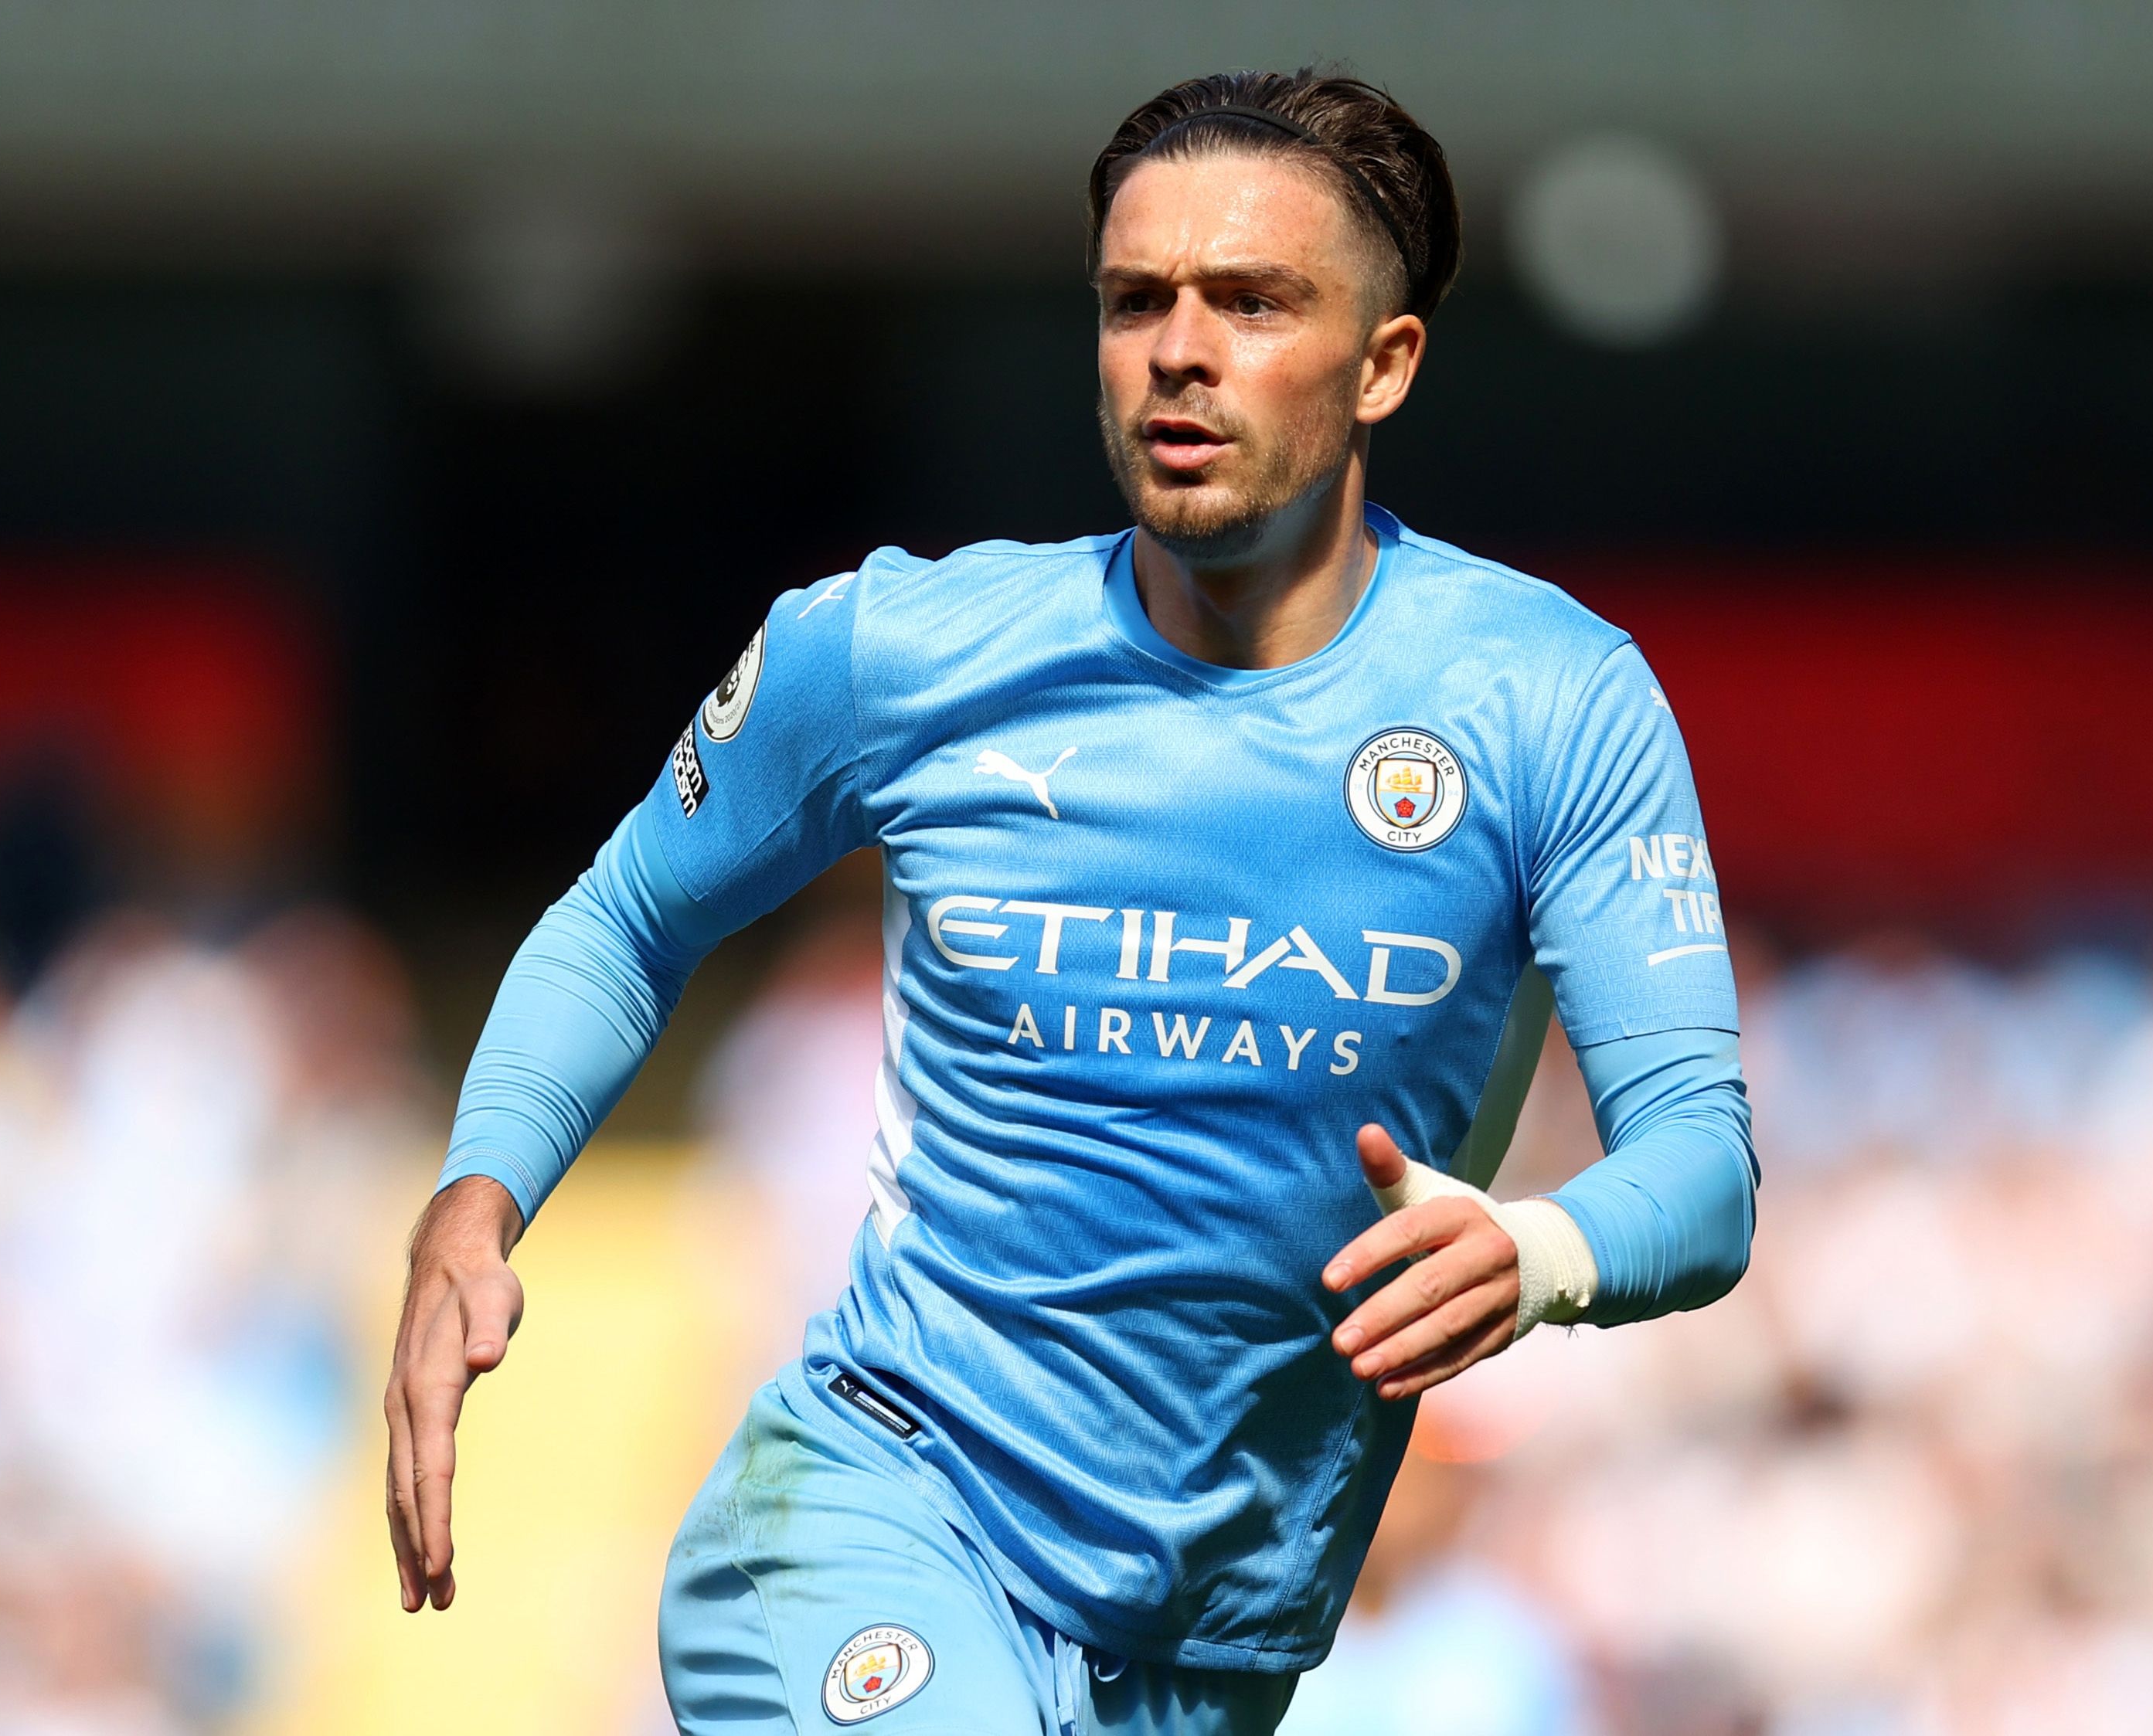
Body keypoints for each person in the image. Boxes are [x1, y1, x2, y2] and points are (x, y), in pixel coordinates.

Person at [383, 66, 1758, 1735]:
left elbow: (1698, 1163)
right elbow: (624, 916)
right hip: (872, 1515)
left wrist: (1537, 1250)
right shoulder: (888, 652)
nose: (1181, 347)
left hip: (1217, 1643)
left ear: (1385, 361)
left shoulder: (1551, 699)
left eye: (1254, 300)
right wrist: (477, 1194)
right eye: (1135, 301)